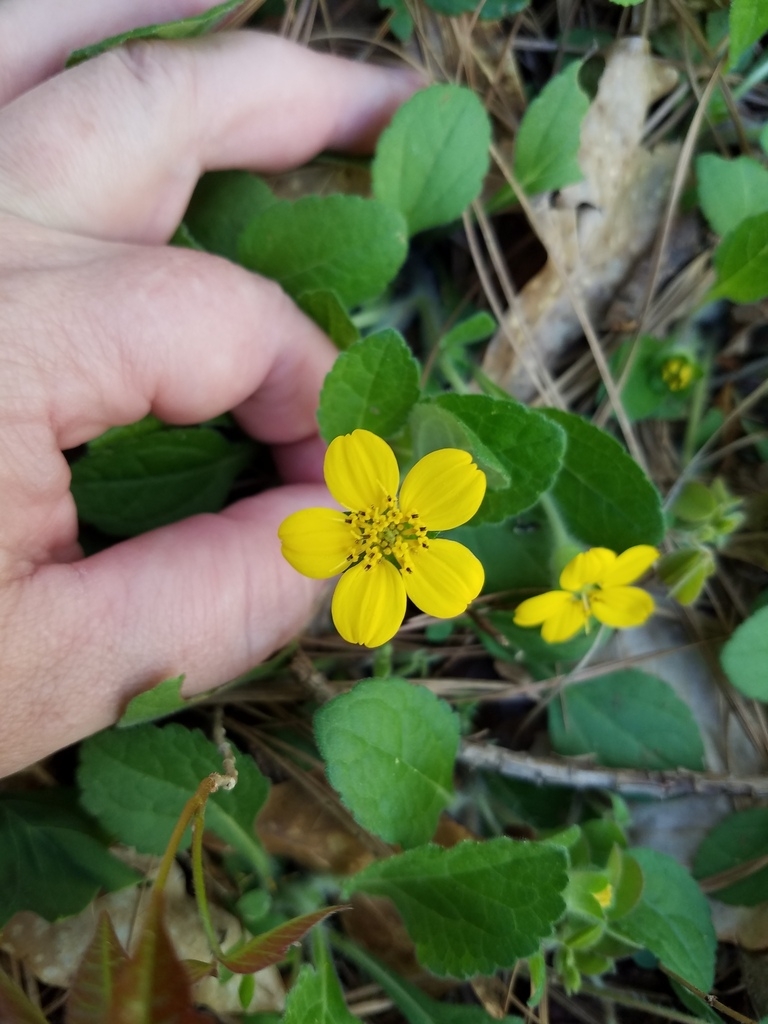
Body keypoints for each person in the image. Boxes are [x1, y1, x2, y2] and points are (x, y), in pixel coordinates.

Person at [0, 0, 420, 779]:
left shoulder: (412, 528)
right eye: (391, 534)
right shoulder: (369, 515)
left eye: (391, 539)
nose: (390, 538)